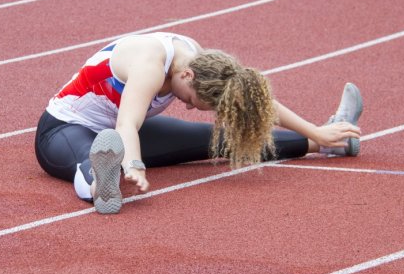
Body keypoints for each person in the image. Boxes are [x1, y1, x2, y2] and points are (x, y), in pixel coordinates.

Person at [35, 32, 363, 214]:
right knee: (99, 153)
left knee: (220, 137)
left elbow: (256, 103)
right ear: (187, 75)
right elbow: (126, 126)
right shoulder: (151, 63)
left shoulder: (199, 59)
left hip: (126, 128)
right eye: (191, 100)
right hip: (65, 128)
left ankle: (330, 144)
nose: (190, 108)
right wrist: (135, 166)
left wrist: (315, 130)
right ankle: (99, 185)